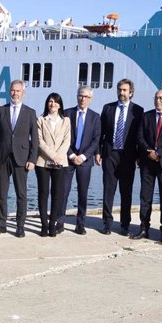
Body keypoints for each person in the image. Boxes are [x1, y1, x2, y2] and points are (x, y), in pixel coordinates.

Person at [0, 80, 39, 237]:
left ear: (23, 93)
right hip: (2, 157)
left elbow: (35, 139)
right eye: (12, 90)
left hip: (21, 158)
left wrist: (32, 159)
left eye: (18, 91)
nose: (15, 93)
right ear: (9, 92)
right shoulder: (0, 110)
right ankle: (1, 224)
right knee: (2, 193)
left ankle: (20, 226)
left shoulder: (30, 112)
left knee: (21, 194)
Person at [132, 90, 162, 243]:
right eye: (156, 98)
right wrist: (149, 152)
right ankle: (144, 227)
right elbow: (139, 136)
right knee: (145, 197)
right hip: (147, 162)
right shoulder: (146, 116)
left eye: (161, 98)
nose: (158, 100)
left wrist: (159, 153)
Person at [96, 78, 144, 235]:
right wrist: (98, 151)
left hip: (128, 157)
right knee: (108, 190)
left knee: (126, 192)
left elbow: (139, 136)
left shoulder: (138, 111)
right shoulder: (108, 108)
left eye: (124, 90)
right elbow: (100, 133)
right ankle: (107, 223)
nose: (121, 93)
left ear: (131, 92)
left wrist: (139, 156)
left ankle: (125, 224)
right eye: (120, 90)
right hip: (110, 154)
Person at [62, 86, 100, 235]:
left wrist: (83, 156)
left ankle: (80, 224)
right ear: (77, 96)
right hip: (68, 159)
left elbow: (96, 140)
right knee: (63, 192)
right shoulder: (67, 114)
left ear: (90, 99)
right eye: (80, 96)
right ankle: (60, 222)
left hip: (85, 161)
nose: (82, 99)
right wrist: (71, 155)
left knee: (82, 194)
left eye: (86, 97)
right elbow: (62, 137)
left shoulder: (95, 117)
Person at [35, 93, 71, 237]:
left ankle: (52, 225)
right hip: (43, 162)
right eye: (50, 101)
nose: (53, 104)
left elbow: (67, 141)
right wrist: (52, 155)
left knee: (57, 194)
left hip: (60, 162)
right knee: (43, 193)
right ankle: (44, 225)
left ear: (60, 105)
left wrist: (58, 156)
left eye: (56, 102)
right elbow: (39, 141)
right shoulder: (41, 119)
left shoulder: (66, 121)